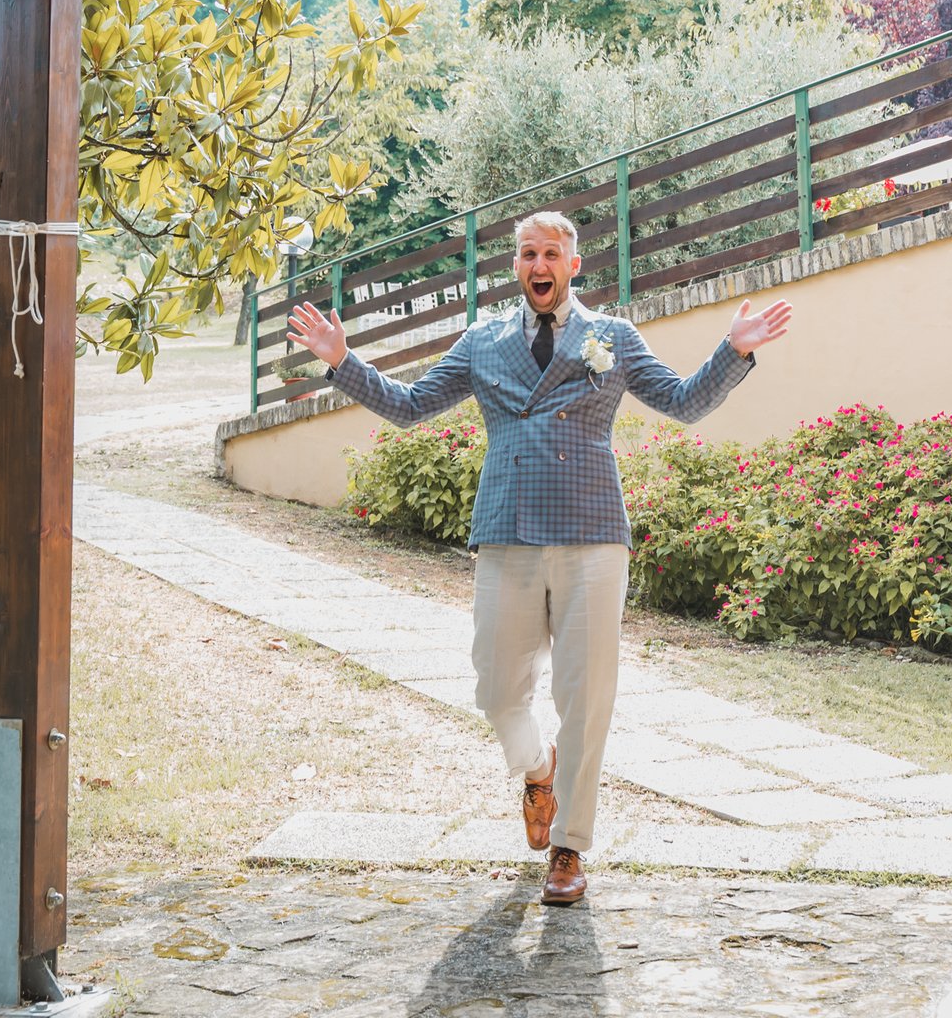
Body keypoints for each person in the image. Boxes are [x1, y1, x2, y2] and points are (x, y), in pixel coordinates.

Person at [285, 209, 791, 906]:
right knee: (496, 690)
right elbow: (410, 406)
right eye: (527, 253)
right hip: (507, 531)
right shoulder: (482, 341)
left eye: (551, 252)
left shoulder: (610, 336)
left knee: (586, 700)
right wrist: (343, 362)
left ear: (573, 265)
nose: (538, 264)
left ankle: (568, 848)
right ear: (516, 266)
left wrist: (732, 352)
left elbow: (679, 401)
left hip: (592, 534)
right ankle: (538, 768)